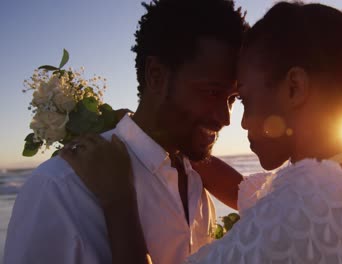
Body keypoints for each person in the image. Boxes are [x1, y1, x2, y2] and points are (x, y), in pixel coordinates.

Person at [63, 0, 342, 263]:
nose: (236, 121)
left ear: (294, 88)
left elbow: (283, 210)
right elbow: (245, 191)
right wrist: (169, 141)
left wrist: (118, 201)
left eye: (248, 100)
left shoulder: (302, 209)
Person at [4, 0, 248, 263]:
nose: (225, 118)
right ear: (156, 76)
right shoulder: (60, 188)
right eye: (212, 92)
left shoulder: (197, 187)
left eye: (233, 98)